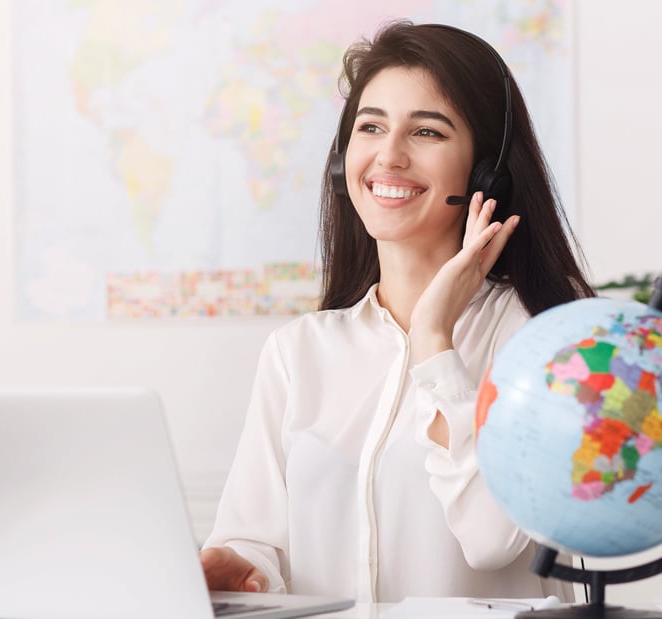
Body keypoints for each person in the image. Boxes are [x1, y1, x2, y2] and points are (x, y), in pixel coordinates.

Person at [200, 20, 594, 603]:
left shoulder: (546, 335)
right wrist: (232, 565)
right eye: (371, 126)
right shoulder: (299, 350)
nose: (389, 156)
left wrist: (437, 341)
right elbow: (258, 542)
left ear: (488, 171)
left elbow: (491, 540)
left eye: (427, 132)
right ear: (343, 160)